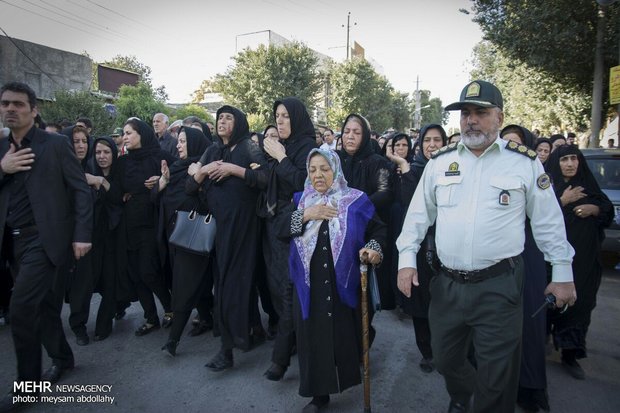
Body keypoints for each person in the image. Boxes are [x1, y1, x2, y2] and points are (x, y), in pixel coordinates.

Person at [396, 80, 576, 413]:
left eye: (480, 112)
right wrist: (406, 259)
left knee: (498, 375)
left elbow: (548, 221)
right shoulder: (441, 163)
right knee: (446, 359)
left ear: (499, 116)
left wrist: (562, 272)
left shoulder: (523, 163)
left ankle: (485, 403)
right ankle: (465, 396)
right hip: (448, 286)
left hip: (499, 285)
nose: (471, 120)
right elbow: (418, 217)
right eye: (465, 113)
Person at [0, 82, 92, 410]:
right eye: (5, 103)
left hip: (44, 239)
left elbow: (80, 190)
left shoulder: (54, 145)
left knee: (21, 309)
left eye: (18, 104)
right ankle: (63, 358)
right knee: (42, 306)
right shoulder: (1, 149)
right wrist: (3, 169)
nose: (10, 109)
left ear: (34, 110)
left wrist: (82, 234)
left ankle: (28, 386)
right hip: (11, 243)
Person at [275, 148, 385, 413]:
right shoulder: (302, 201)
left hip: (342, 282)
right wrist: (307, 215)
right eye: (312, 170)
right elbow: (278, 229)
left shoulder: (355, 201)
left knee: (343, 335)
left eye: (324, 168)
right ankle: (318, 395)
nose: (318, 175)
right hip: (309, 285)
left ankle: (349, 372)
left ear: (335, 170)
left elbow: (379, 229)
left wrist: (373, 248)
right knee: (313, 341)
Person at [188, 105, 266, 371]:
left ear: (239, 122)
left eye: (228, 117)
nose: (222, 121)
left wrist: (234, 169)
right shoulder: (211, 150)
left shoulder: (247, 148)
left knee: (233, 284)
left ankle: (227, 350)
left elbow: (265, 178)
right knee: (228, 281)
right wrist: (202, 170)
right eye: (219, 117)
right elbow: (190, 187)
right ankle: (253, 330)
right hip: (219, 228)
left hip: (243, 227)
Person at [546, 145, 614, 380]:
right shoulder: (548, 188)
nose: (570, 163)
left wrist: (594, 208)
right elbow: (538, 216)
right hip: (551, 264)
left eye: (574, 158)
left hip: (584, 264)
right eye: (564, 159)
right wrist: (562, 201)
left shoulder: (588, 185)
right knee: (548, 306)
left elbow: (607, 211)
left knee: (579, 307)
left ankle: (570, 355)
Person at [261, 97, 317, 381]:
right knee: (280, 287)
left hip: (298, 227)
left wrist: (281, 157)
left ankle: (280, 359)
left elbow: (303, 185)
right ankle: (287, 347)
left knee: (289, 290)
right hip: (277, 225)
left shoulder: (307, 147)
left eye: (285, 116)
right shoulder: (287, 146)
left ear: (297, 118)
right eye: (277, 116)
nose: (280, 121)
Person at [387, 125, 447, 374]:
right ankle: (427, 351)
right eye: (427, 140)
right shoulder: (413, 171)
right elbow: (409, 204)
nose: (432, 145)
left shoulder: (456, 168)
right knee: (421, 301)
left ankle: (446, 350)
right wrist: (405, 166)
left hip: (447, 247)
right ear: (420, 144)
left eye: (437, 140)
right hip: (420, 248)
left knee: (444, 303)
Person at [501, 124, 551, 411]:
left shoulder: (536, 174)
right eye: (505, 143)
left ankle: (532, 387)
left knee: (530, 322)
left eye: (515, 143)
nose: (510, 149)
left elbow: (547, 220)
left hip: (528, 253)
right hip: (496, 258)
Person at [115, 118, 175, 336]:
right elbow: (116, 190)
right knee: (136, 275)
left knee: (148, 271)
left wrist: (160, 182)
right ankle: (151, 317)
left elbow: (176, 177)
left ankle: (170, 308)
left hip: (152, 224)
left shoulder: (160, 157)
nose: (125, 137)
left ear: (142, 134)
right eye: (124, 133)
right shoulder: (122, 162)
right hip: (128, 225)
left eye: (130, 133)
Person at [155, 126, 212, 356]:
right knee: (198, 287)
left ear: (196, 143)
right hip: (173, 238)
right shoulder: (176, 169)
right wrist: (162, 184)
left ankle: (173, 339)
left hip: (194, 235)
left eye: (183, 141)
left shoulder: (202, 168)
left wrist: (197, 179)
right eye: (177, 141)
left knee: (184, 286)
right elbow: (161, 202)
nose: (177, 145)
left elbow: (210, 204)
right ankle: (209, 317)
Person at [338, 114, 393, 311]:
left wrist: (355, 206)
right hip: (338, 235)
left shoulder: (377, 162)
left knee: (362, 296)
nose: (350, 136)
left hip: (366, 232)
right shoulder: (335, 161)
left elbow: (385, 193)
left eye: (356, 132)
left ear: (365, 136)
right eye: (346, 131)